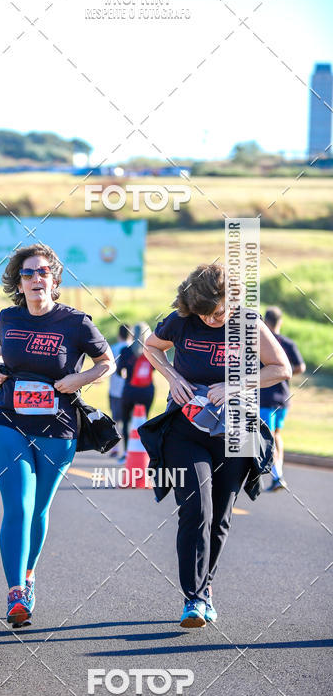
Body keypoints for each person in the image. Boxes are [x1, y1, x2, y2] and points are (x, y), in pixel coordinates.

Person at [143, 263, 291, 628]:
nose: (214, 319)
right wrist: (173, 376)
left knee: (220, 518)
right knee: (196, 509)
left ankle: (205, 588)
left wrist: (236, 385)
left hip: (236, 430)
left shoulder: (248, 323)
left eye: (221, 312)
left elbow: (281, 368)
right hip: (185, 428)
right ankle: (192, 599)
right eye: (206, 313)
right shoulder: (179, 321)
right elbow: (151, 347)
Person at [0, 243, 115, 627]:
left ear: (54, 280)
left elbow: (107, 362)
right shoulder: (9, 317)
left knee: (39, 509)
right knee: (18, 507)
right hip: (7, 417)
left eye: (43, 272)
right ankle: (15, 593)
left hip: (57, 426)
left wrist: (79, 378)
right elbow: (2, 354)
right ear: (19, 282)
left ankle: (28, 576)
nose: (36, 278)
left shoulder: (76, 322)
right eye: (28, 273)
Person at [259, 306, 305, 491]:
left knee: (267, 438)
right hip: (284, 397)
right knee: (276, 435)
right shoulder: (288, 342)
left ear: (265, 322)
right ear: (281, 322)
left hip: (266, 398)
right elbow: (300, 367)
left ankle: (277, 475)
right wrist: (283, 373)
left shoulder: (262, 342)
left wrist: (270, 374)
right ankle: (278, 473)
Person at [118, 321, 155, 447]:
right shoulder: (152, 352)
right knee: (144, 420)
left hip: (130, 390)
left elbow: (119, 371)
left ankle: (127, 450)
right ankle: (143, 448)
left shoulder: (125, 351)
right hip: (147, 390)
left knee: (126, 421)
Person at [108, 324, 132, 459]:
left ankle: (116, 447)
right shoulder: (134, 349)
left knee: (117, 419)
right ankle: (131, 447)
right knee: (131, 419)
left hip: (115, 389)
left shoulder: (113, 348)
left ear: (119, 335)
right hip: (130, 388)